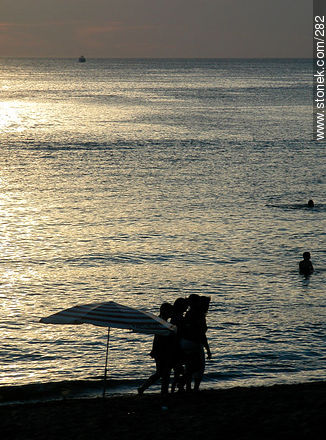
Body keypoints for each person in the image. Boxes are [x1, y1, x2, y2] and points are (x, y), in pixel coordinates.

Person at [137, 302, 176, 396]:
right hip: (161, 351)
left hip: (160, 350)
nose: (171, 313)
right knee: (163, 372)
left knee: (162, 373)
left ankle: (148, 388)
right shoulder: (162, 322)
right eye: (170, 311)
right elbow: (159, 338)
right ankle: (146, 388)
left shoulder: (161, 321)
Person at [179, 294, 211, 392]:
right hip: (194, 343)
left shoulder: (188, 314)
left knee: (189, 366)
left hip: (184, 342)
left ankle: (186, 386)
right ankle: (193, 387)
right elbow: (201, 334)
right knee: (199, 366)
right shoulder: (199, 315)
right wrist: (208, 350)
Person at [170, 297, 188, 393]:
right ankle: (179, 385)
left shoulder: (175, 317)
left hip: (176, 345)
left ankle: (177, 387)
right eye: (185, 305)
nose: (187, 307)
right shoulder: (179, 318)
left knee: (178, 369)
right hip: (178, 345)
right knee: (180, 369)